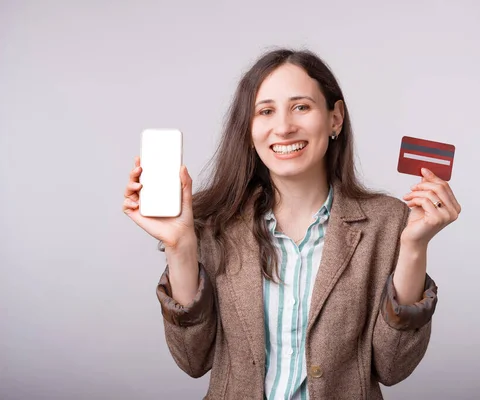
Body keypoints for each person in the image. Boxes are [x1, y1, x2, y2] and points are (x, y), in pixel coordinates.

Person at [122, 48, 460, 399]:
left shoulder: (389, 223)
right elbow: (193, 360)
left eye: (301, 107)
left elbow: (393, 367)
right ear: (249, 129)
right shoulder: (213, 224)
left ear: (335, 118)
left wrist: (414, 247)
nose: (283, 127)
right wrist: (181, 246)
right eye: (265, 111)